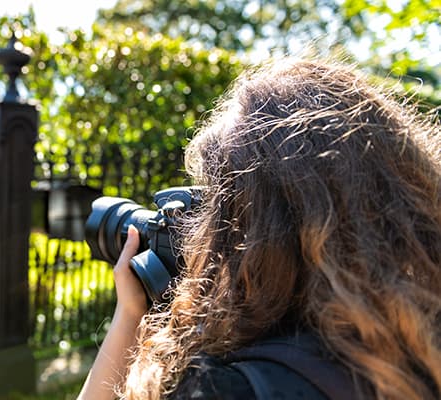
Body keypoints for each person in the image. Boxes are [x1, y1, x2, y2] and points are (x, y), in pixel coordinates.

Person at [78, 58, 441, 399]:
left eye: (219, 208)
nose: (205, 230)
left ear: (251, 232)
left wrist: (131, 315)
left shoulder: (227, 386)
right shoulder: (418, 342)